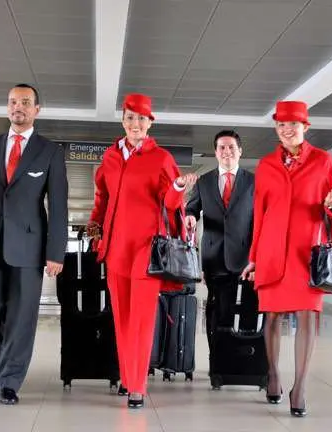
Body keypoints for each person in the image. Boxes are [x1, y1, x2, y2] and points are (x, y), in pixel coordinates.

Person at [86, 93, 198, 409]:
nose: (136, 124)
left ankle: (137, 385)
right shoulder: (109, 157)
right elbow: (101, 200)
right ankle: (127, 376)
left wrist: (177, 188)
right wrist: (95, 225)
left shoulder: (160, 157)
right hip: (115, 248)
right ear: (123, 121)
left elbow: (171, 204)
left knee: (142, 318)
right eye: (130, 118)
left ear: (150, 123)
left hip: (147, 249)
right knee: (121, 317)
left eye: (142, 119)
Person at [241, 101, 332, 417]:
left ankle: (300, 386)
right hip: (272, 249)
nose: (286, 130)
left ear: (306, 127)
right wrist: (254, 257)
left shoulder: (324, 161)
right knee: (272, 316)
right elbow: (259, 214)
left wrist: (331, 205)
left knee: (306, 315)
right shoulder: (266, 165)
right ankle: (273, 373)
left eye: (293, 124)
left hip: (307, 251)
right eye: (281, 125)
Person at [0, 84, 68, 405]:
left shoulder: (50, 152)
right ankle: (1, 363)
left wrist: (55, 252)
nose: (17, 107)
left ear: (37, 109)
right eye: (12, 102)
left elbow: (59, 205)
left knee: (22, 317)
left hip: (29, 247)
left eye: (25, 102)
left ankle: (8, 380)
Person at [184, 130, 255, 367]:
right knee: (217, 309)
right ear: (215, 152)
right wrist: (191, 217)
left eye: (231, 147)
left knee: (247, 307)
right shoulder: (204, 182)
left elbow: (261, 218)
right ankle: (217, 357)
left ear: (240, 151)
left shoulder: (253, 181)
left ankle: (243, 357)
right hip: (214, 257)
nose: (226, 152)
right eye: (222, 148)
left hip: (246, 257)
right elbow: (192, 208)